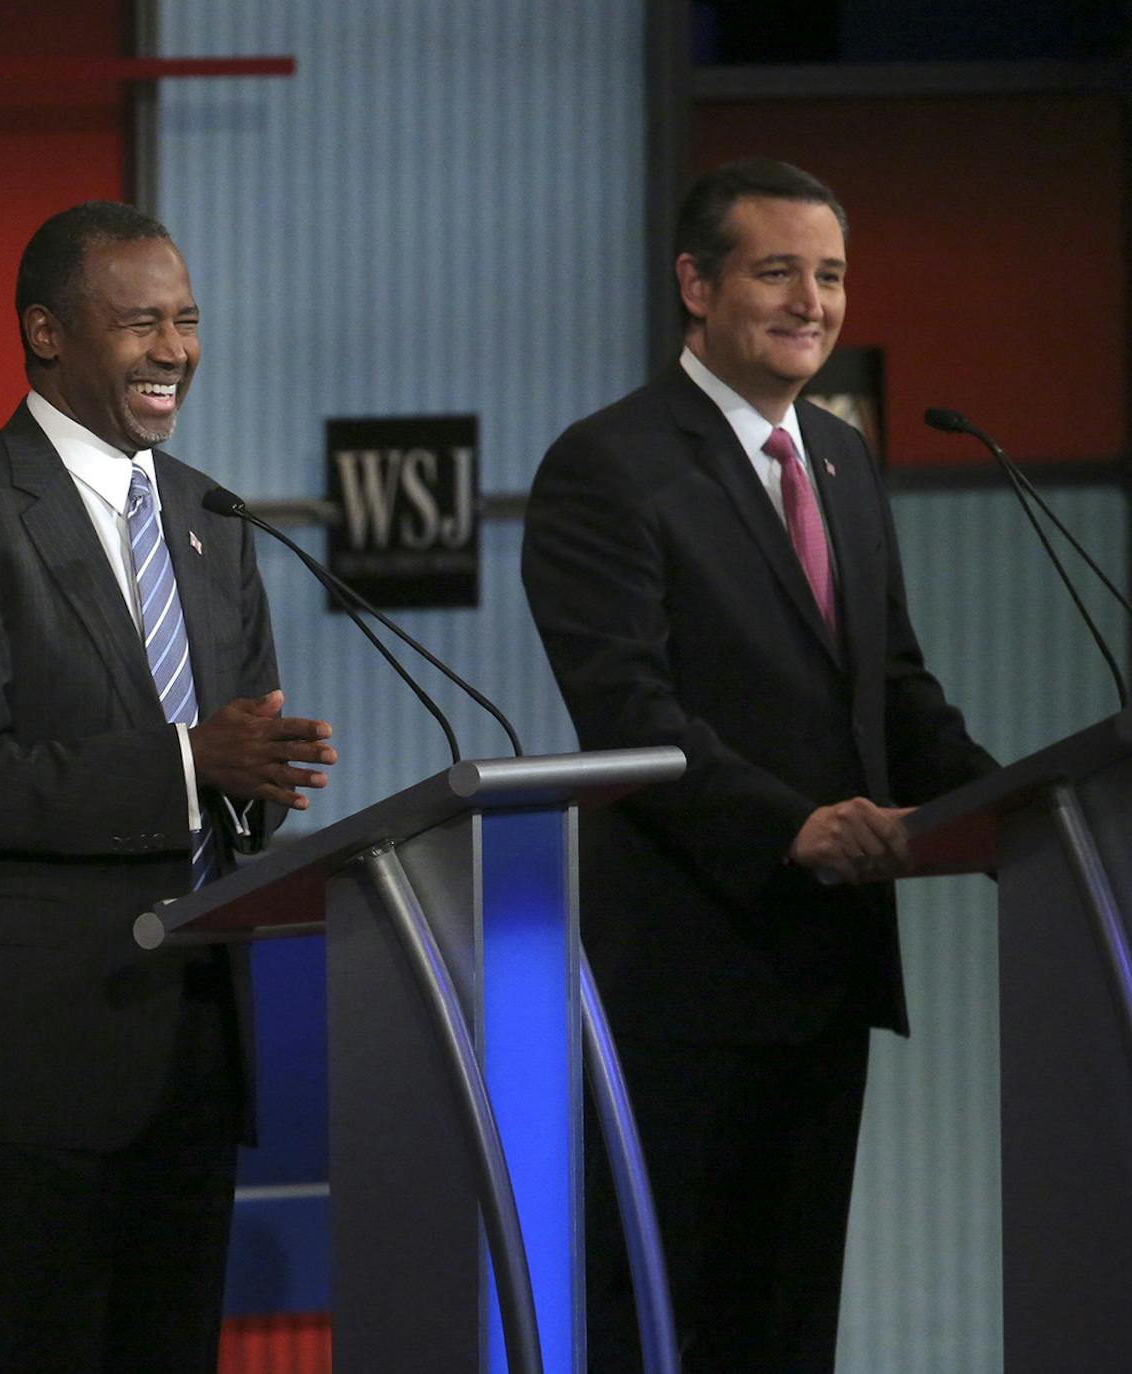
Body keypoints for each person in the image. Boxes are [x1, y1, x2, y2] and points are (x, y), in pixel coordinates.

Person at [521, 159, 996, 1372]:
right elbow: (630, 709)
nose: (812, 301)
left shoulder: (840, 461)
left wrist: (1010, 805)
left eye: (830, 275)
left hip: (826, 968)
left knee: (790, 1329)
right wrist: (794, 825)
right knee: (669, 1324)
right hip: (684, 974)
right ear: (696, 283)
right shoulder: (608, 466)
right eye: (777, 269)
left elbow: (893, 688)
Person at [0, 201, 337, 1373]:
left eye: (185, 321)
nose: (174, 349)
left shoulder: (209, 520)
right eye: (140, 323)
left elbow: (248, 757)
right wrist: (191, 767)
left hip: (188, 1053)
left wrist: (254, 785)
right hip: (24, 1070)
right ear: (46, 333)